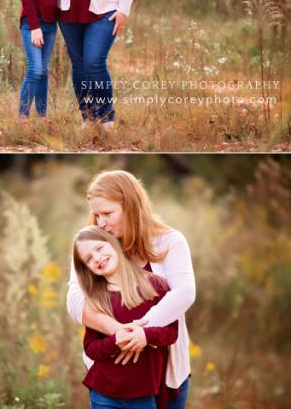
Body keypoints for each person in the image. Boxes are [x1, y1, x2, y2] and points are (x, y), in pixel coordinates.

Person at [66, 170, 195, 409]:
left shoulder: (169, 241)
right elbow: (74, 301)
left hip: (165, 374)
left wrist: (142, 333)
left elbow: (184, 293)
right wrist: (121, 334)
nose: (101, 222)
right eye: (96, 215)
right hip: (113, 379)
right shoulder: (94, 245)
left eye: (107, 213)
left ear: (131, 206)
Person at [73, 225, 178, 409]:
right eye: (89, 259)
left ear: (112, 244)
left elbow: (171, 333)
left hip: (144, 394)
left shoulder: (154, 285)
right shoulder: (95, 300)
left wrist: (145, 336)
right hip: (104, 393)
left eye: (99, 248)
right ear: (87, 269)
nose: (97, 258)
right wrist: (115, 340)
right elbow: (91, 348)